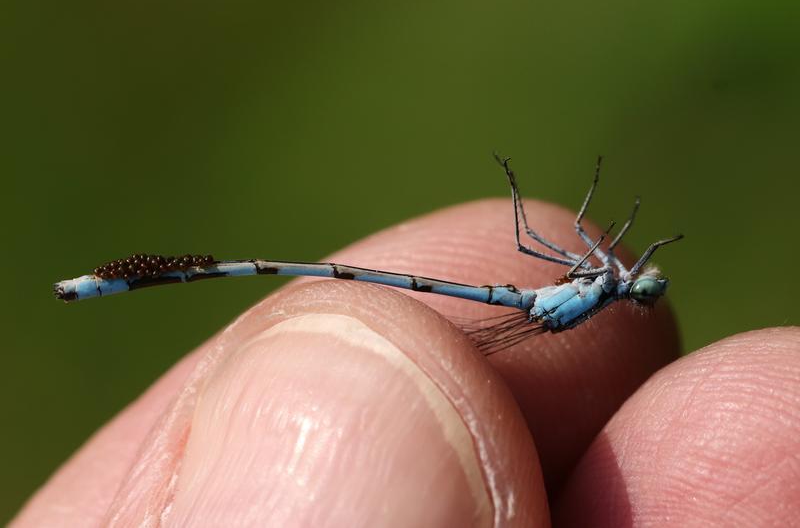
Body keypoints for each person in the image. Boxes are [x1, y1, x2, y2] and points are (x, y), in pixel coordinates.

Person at [14, 200, 800, 526]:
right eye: (648, 271)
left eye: (645, 278)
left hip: (524, 300)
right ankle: (112, 277)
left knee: (280, 274)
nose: (646, 273)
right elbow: (544, 244)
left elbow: (547, 245)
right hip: (531, 294)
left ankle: (112, 279)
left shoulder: (596, 288)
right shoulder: (607, 283)